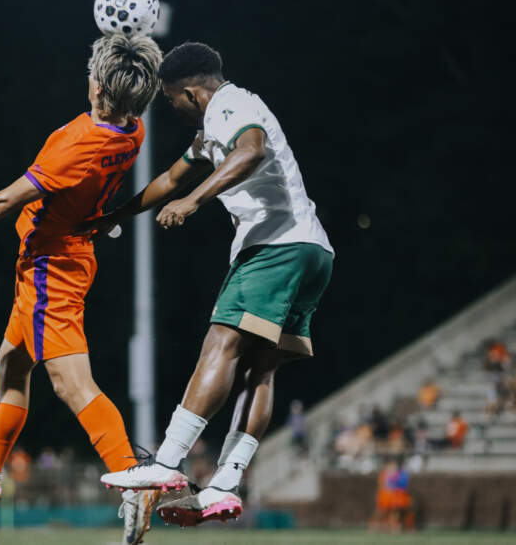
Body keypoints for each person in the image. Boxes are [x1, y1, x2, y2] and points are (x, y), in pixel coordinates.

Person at [0, 32, 164, 545]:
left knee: (72, 385)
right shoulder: (132, 129)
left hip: (52, 267)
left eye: (92, 73)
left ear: (99, 88)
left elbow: (3, 201)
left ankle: (132, 478)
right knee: (12, 366)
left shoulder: (78, 146)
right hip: (54, 259)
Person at [89, 42, 334, 526]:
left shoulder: (230, 105)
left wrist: (194, 201)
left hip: (275, 246)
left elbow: (251, 150)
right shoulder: (213, 130)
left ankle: (166, 462)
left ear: (192, 93)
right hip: (312, 251)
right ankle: (226, 481)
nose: (171, 108)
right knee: (259, 370)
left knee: (220, 344)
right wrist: (116, 216)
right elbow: (170, 179)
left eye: (170, 100)